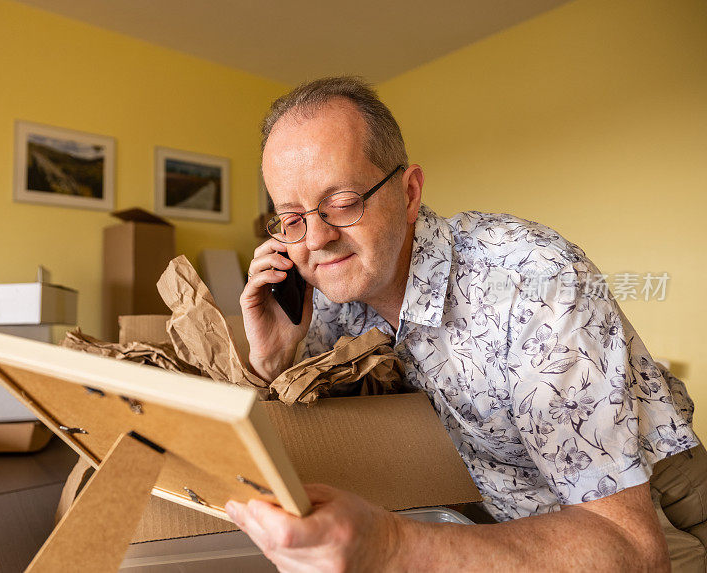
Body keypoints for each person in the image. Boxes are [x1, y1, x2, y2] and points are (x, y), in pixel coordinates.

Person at [231, 76, 704, 571]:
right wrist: (271, 360)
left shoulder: (532, 279)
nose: (317, 238)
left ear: (410, 193)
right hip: (484, 515)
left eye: (343, 202)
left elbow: (630, 545)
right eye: (291, 218)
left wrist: (391, 547)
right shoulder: (328, 296)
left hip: (647, 505)